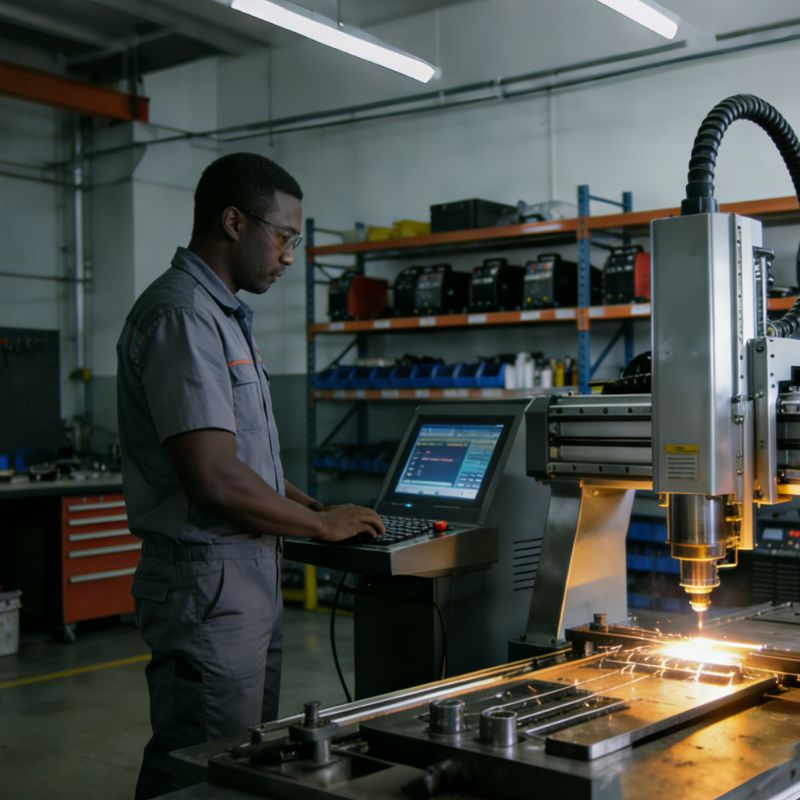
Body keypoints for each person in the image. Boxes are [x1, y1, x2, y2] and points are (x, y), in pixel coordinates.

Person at [116, 152, 384, 800]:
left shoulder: (223, 316)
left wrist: (312, 506)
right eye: (284, 236)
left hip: (243, 574)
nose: (290, 254)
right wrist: (318, 524)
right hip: (207, 580)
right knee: (204, 763)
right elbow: (212, 478)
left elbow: (248, 467)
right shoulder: (182, 316)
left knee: (236, 757)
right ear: (234, 223)